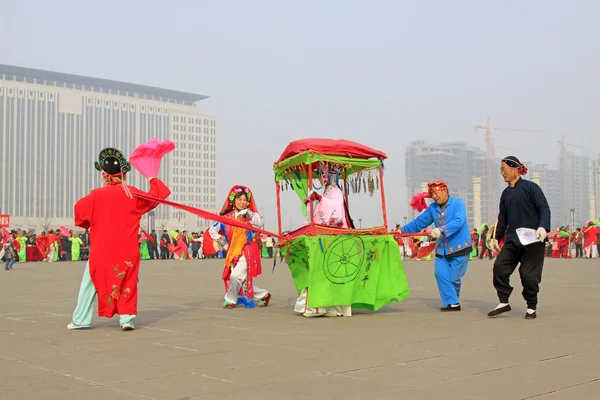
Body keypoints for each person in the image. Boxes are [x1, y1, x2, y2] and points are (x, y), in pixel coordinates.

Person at [67, 147, 171, 331]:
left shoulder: (95, 196)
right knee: (128, 281)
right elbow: (158, 196)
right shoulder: (132, 194)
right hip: (127, 249)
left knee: (90, 281)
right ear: (124, 174)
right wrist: (152, 178)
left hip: (101, 250)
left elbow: (79, 214)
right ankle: (126, 319)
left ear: (105, 175)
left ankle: (81, 319)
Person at [487, 156, 550, 320]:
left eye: (504, 169)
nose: (502, 173)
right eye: (501, 170)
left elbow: (544, 208)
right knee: (499, 267)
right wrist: (496, 237)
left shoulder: (531, 188)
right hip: (513, 240)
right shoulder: (506, 194)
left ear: (514, 169)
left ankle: (531, 306)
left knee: (528, 275)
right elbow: (503, 218)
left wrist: (543, 227)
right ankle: (503, 301)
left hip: (533, 240)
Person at [401, 180, 472, 311]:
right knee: (440, 274)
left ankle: (452, 300)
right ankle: (453, 303)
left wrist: (441, 230)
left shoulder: (458, 204)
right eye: (432, 194)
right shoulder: (433, 208)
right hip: (442, 249)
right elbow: (419, 222)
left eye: (436, 193)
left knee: (452, 278)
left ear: (445, 191)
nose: (434, 196)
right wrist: (402, 231)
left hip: (460, 247)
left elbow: (458, 221)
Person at [295, 164, 353, 317]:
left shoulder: (336, 192)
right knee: (320, 271)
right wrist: (313, 203)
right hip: (323, 236)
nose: (320, 177)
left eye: (322, 173)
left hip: (333, 237)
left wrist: (320, 199)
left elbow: (336, 209)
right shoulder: (327, 192)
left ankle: (321, 306)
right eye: (319, 174)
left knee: (326, 272)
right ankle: (318, 306)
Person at [209, 185, 271, 309]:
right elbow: (212, 230)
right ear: (233, 200)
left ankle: (231, 299)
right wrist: (226, 246)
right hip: (233, 250)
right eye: (239, 199)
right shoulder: (226, 218)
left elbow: (260, 224)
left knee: (235, 276)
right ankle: (263, 294)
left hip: (247, 250)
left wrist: (248, 212)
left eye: (244, 200)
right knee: (240, 278)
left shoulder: (250, 216)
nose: (242, 202)